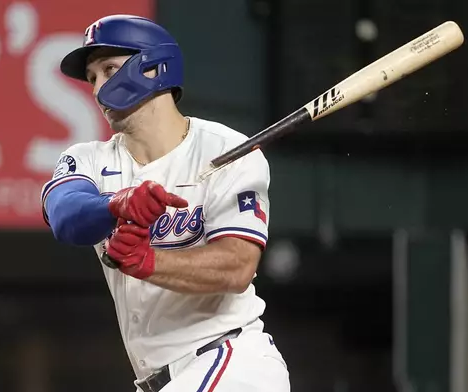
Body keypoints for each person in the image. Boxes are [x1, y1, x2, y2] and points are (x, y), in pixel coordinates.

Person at [40, 14, 290, 392]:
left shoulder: (226, 150)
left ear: (155, 68)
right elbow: (65, 215)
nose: (97, 89)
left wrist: (149, 261)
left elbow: (237, 267)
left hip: (231, 363)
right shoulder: (90, 158)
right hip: (159, 380)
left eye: (109, 69)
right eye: (92, 78)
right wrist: (115, 205)